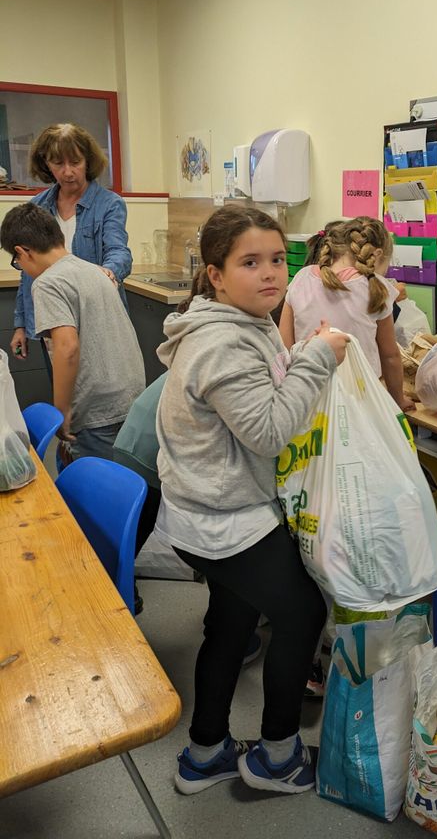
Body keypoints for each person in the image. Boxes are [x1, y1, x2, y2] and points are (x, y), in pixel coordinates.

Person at [154, 205, 348, 796]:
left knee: (232, 623)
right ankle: (278, 758)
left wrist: (297, 356)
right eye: (249, 263)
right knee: (302, 614)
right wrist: (317, 359)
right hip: (227, 521)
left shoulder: (244, 322)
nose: (269, 275)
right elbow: (266, 430)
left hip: (207, 513)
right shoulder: (222, 344)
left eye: (276, 261)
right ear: (214, 274)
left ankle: (205, 753)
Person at [112, 371, 264, 662]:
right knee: (222, 543)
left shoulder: (209, 341)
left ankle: (102, 623)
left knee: (119, 555)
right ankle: (229, 637)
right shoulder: (246, 363)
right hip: (153, 452)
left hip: (137, 436)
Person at [0, 204, 145, 460]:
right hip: (129, 395)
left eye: (17, 261)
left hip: (96, 408)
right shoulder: (93, 270)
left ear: (23, 252)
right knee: (116, 474)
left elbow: (67, 349)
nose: (20, 266)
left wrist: (62, 410)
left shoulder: (48, 283)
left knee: (92, 490)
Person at [10, 123, 132, 373]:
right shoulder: (37, 206)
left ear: (88, 160)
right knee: (64, 393)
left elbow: (119, 252)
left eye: (75, 162)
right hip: (50, 317)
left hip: (95, 319)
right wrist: (21, 324)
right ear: (46, 164)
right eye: (58, 164)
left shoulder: (109, 204)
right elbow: (27, 271)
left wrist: (108, 272)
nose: (68, 172)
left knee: (98, 396)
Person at [280, 216, 414, 412]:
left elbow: (285, 346)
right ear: (376, 255)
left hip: (308, 394)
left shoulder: (301, 278)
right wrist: (398, 399)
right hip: (360, 400)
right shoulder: (376, 288)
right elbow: (390, 356)